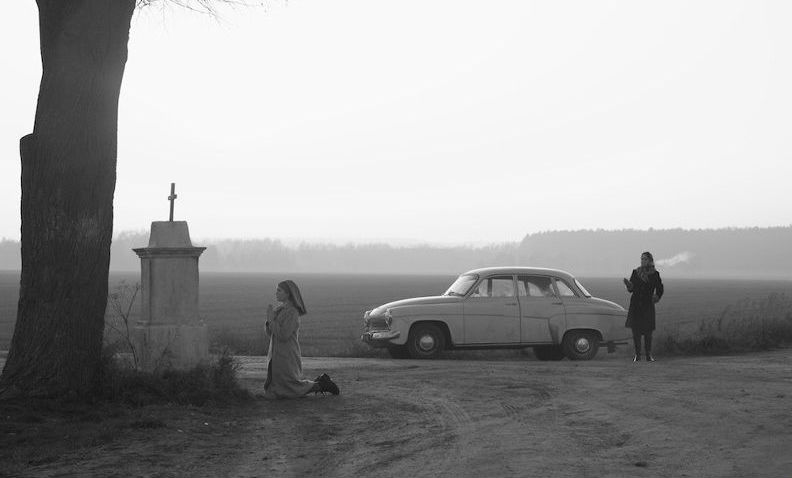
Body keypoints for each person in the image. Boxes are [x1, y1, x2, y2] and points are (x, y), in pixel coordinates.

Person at [263, 280, 340, 398]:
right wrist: (269, 322)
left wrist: (271, 320)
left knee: (290, 385)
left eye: (279, 290)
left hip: (286, 354)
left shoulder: (292, 312)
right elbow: (272, 334)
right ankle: (319, 383)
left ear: (288, 293)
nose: (276, 293)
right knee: (280, 386)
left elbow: (284, 335)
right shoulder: (280, 310)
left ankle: (321, 385)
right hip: (276, 354)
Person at [623, 252, 664, 362]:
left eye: (645, 259)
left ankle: (648, 355)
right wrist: (629, 285)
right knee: (636, 332)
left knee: (648, 332)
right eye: (641, 259)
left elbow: (660, 289)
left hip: (647, 305)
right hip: (636, 305)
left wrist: (656, 297)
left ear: (650, 261)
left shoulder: (655, 274)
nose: (642, 261)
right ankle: (637, 355)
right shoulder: (636, 272)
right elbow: (631, 289)